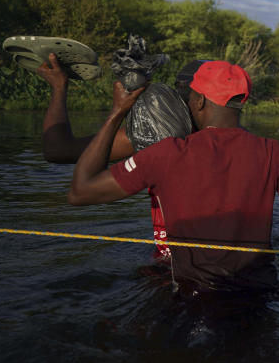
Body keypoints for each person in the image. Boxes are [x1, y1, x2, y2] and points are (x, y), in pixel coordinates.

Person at [67, 61, 279, 294]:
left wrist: (117, 112)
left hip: (195, 297)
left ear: (200, 101)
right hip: (259, 297)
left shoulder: (167, 153)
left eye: (191, 95)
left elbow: (80, 191)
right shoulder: (273, 153)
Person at [37, 53, 196, 260]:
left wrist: (117, 111)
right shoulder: (157, 136)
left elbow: (58, 152)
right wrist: (59, 86)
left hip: (176, 268)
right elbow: (57, 151)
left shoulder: (159, 139)